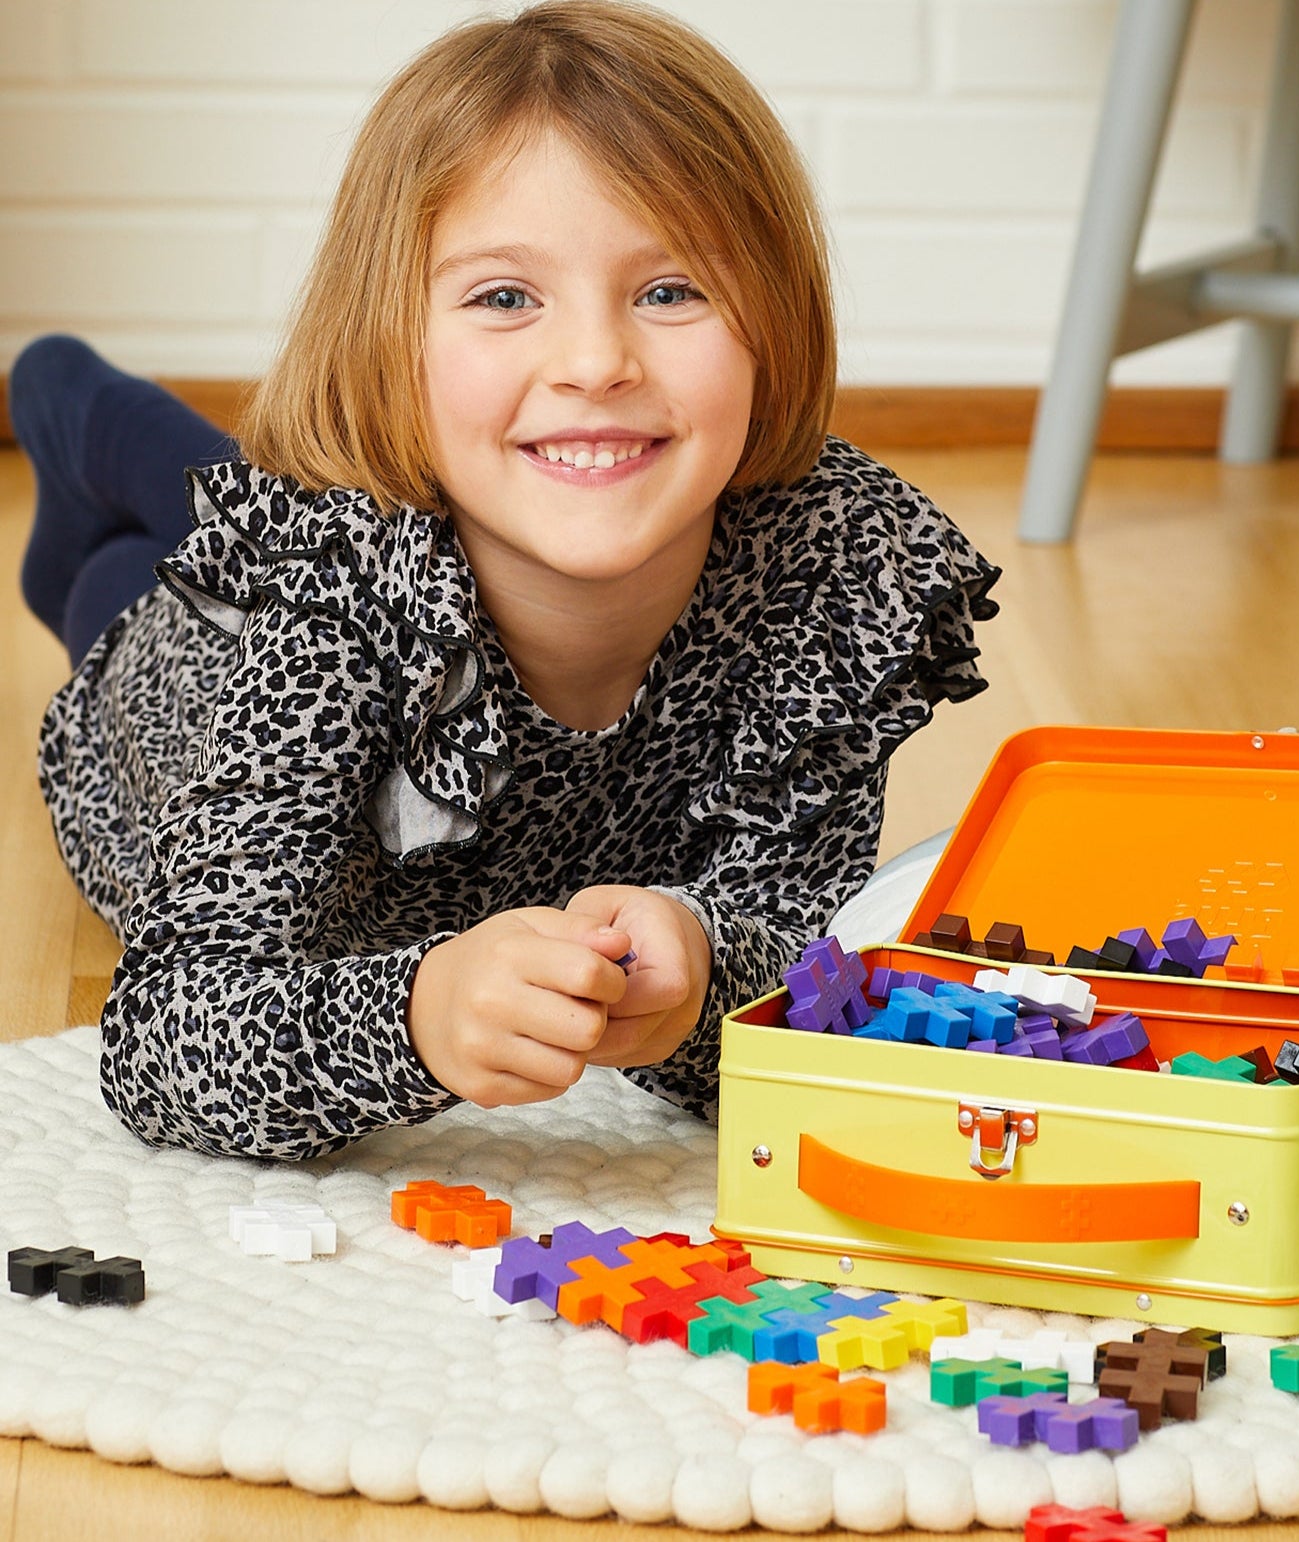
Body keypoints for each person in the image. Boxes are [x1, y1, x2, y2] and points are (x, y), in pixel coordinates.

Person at [12, 0, 999, 1162]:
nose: (594, 363)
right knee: (148, 587)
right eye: (503, 296)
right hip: (168, 711)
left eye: (670, 290)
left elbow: (803, 955)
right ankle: (68, 398)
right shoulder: (327, 605)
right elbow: (167, 1039)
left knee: (246, 507)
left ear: (773, 326)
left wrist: (703, 971)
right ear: (391, 335)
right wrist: (416, 1019)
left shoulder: (835, 578)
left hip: (412, 530)